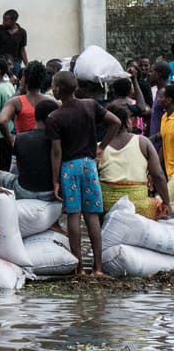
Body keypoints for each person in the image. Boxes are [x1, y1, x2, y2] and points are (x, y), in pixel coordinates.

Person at [47, 70, 121, 276]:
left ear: (58, 89)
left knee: (73, 214)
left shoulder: (54, 117)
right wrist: (101, 147)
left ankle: (78, 268)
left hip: (69, 168)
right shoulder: (90, 105)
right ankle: (98, 268)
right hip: (89, 166)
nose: (52, 89)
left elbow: (56, 152)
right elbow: (116, 122)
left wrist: (55, 180)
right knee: (92, 215)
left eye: (53, 85)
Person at [98, 102, 170, 219]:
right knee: (161, 209)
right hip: (138, 207)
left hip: (107, 207)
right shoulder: (143, 142)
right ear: (128, 122)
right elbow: (158, 175)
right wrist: (166, 203)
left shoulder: (99, 148)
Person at [12, 100, 59, 201]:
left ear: (36, 115)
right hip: (50, 192)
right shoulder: (57, 142)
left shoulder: (20, 138)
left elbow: (15, 168)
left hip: (24, 190)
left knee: (0, 175)